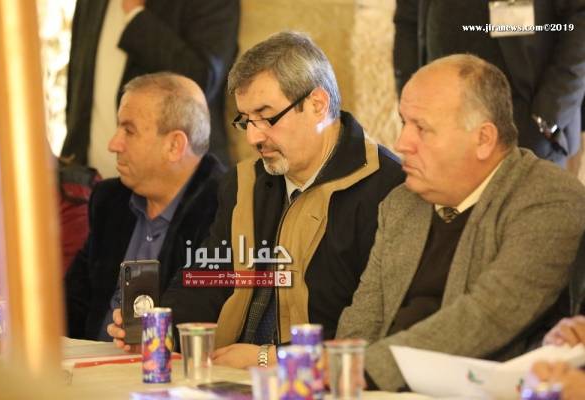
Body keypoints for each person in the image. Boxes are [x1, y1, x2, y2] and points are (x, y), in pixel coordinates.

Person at [109, 31, 405, 364]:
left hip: (318, 380)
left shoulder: (387, 189)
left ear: (317, 105)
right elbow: (207, 282)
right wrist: (157, 333)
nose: (253, 137)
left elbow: (373, 329)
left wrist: (268, 358)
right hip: (230, 371)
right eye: (246, 120)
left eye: (266, 117)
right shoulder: (244, 183)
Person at [336, 54, 585, 391]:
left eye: (421, 128)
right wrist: (339, 370)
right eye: (403, 122)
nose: (401, 143)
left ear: (483, 139)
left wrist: (367, 368)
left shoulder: (546, 196)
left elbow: (491, 313)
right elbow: (364, 316)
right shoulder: (401, 204)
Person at [64, 72, 227, 340]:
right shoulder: (109, 200)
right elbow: (70, 304)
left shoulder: (223, 208)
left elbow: (200, 320)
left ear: (174, 145)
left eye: (129, 131)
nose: (113, 144)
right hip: (88, 361)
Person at [393, 0, 585, 167]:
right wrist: (413, 108)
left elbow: (580, 16)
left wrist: (549, 114)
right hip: (440, 124)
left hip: (526, 121)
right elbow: (407, 19)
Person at [62, 0, 240, 177]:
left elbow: (202, 80)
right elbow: (78, 83)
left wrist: (136, 16)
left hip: (179, 185)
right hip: (89, 181)